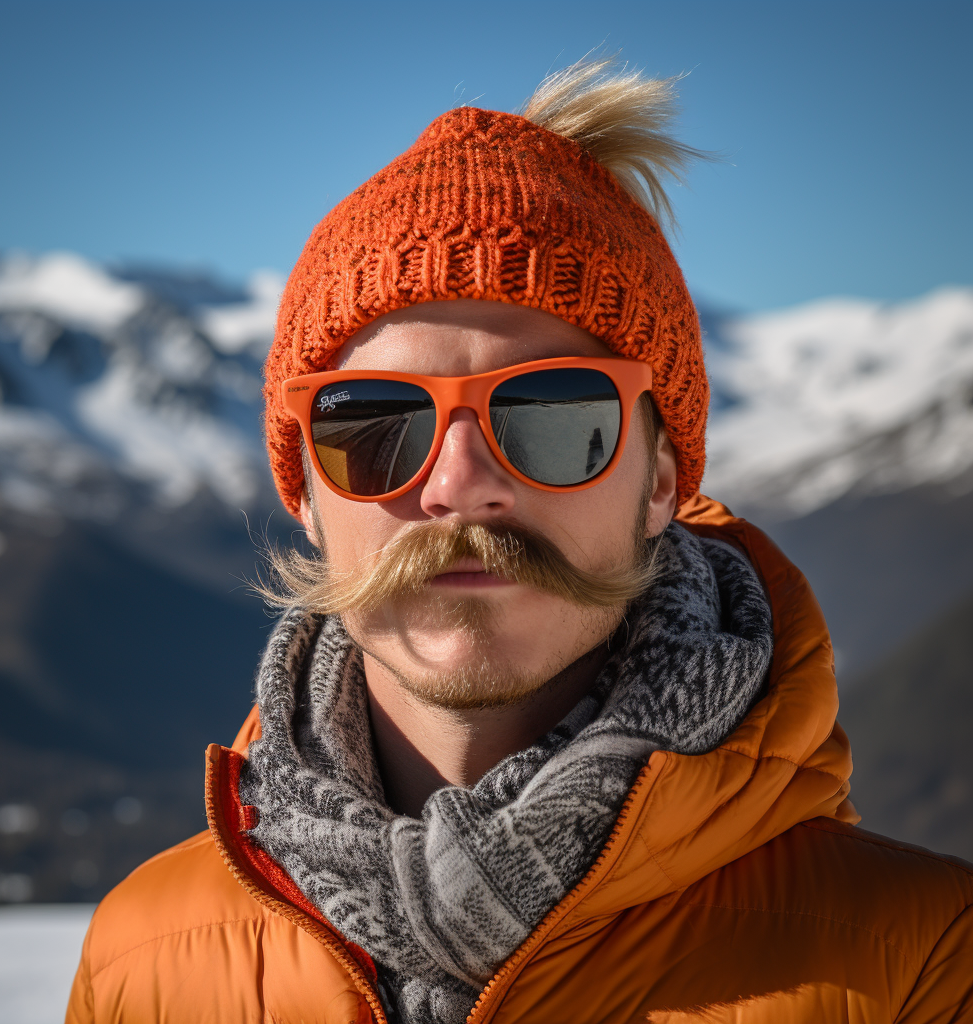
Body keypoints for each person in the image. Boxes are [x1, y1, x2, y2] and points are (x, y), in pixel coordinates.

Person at [66, 59, 973, 1024]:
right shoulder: (144, 961)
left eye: (552, 417)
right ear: (306, 492)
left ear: (662, 479)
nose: (459, 486)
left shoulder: (916, 959)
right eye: (374, 426)